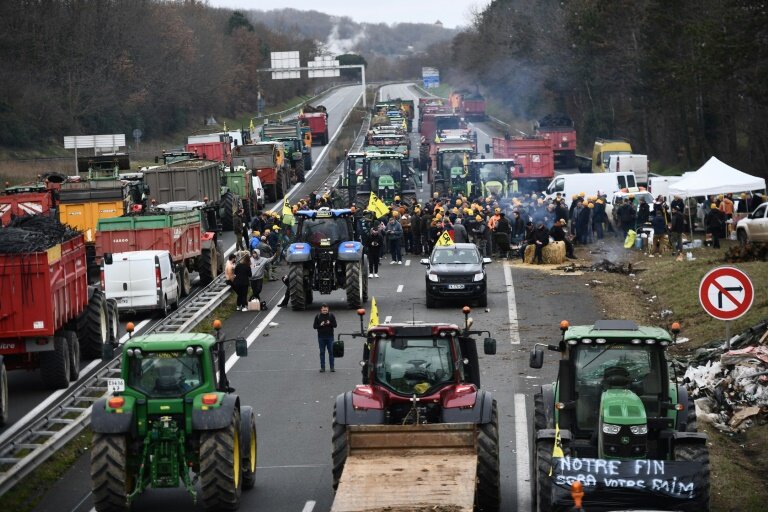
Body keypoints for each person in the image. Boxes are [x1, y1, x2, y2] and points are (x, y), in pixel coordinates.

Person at [313, 304, 337, 372]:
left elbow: (335, 325)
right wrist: (320, 325)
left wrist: (330, 323)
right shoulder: (318, 316)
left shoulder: (331, 316)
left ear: (328, 309)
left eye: (326, 310)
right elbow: (314, 326)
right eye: (323, 310)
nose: (325, 311)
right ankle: (322, 368)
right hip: (321, 337)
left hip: (330, 337)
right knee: (322, 352)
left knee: (331, 353)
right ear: (321, 310)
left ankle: (332, 367)